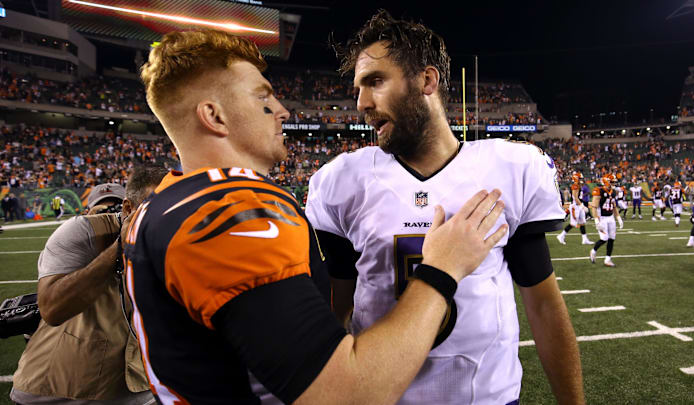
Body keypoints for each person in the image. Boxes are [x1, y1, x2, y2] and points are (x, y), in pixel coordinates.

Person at [125, 29, 505, 404]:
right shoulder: (228, 211)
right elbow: (346, 395)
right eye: (263, 97)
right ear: (214, 116)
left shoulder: (165, 200)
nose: (282, 110)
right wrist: (441, 270)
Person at [306, 11, 584, 405]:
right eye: (357, 90)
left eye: (375, 82)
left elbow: (542, 305)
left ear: (427, 80)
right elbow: (337, 309)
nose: (362, 104)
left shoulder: (510, 169)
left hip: (489, 397)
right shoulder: (342, 180)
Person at [11, 166, 166, 405]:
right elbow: (53, 309)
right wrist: (119, 248)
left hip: (138, 390)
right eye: (155, 209)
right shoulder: (81, 231)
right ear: (128, 209)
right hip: (59, 393)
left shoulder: (180, 236)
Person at [590, 174, 624, 267]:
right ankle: (593, 251)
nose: (614, 183)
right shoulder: (599, 191)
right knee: (604, 239)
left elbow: (614, 206)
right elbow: (594, 207)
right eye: (612, 181)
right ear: (606, 182)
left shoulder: (613, 192)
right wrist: (596, 221)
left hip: (610, 217)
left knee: (612, 238)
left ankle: (607, 259)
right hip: (602, 218)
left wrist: (618, 218)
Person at [557, 171, 594, 245]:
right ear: (576, 179)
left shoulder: (579, 185)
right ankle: (561, 236)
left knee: (582, 223)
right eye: (580, 178)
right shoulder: (575, 186)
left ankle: (584, 239)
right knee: (573, 224)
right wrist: (582, 206)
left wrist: (581, 206)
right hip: (575, 206)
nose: (582, 180)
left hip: (579, 206)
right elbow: (575, 197)